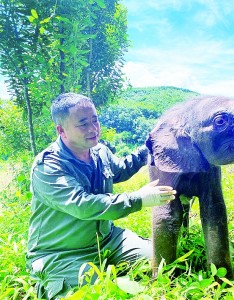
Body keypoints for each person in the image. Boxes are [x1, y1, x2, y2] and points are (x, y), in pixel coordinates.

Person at [26, 93, 176, 299]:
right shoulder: (49, 166)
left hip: (107, 239)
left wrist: (149, 147)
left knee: (160, 260)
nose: (93, 128)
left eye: (95, 120)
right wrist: (139, 198)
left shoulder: (99, 151)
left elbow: (121, 169)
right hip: (61, 253)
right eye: (83, 124)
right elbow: (83, 205)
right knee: (94, 292)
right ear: (61, 130)